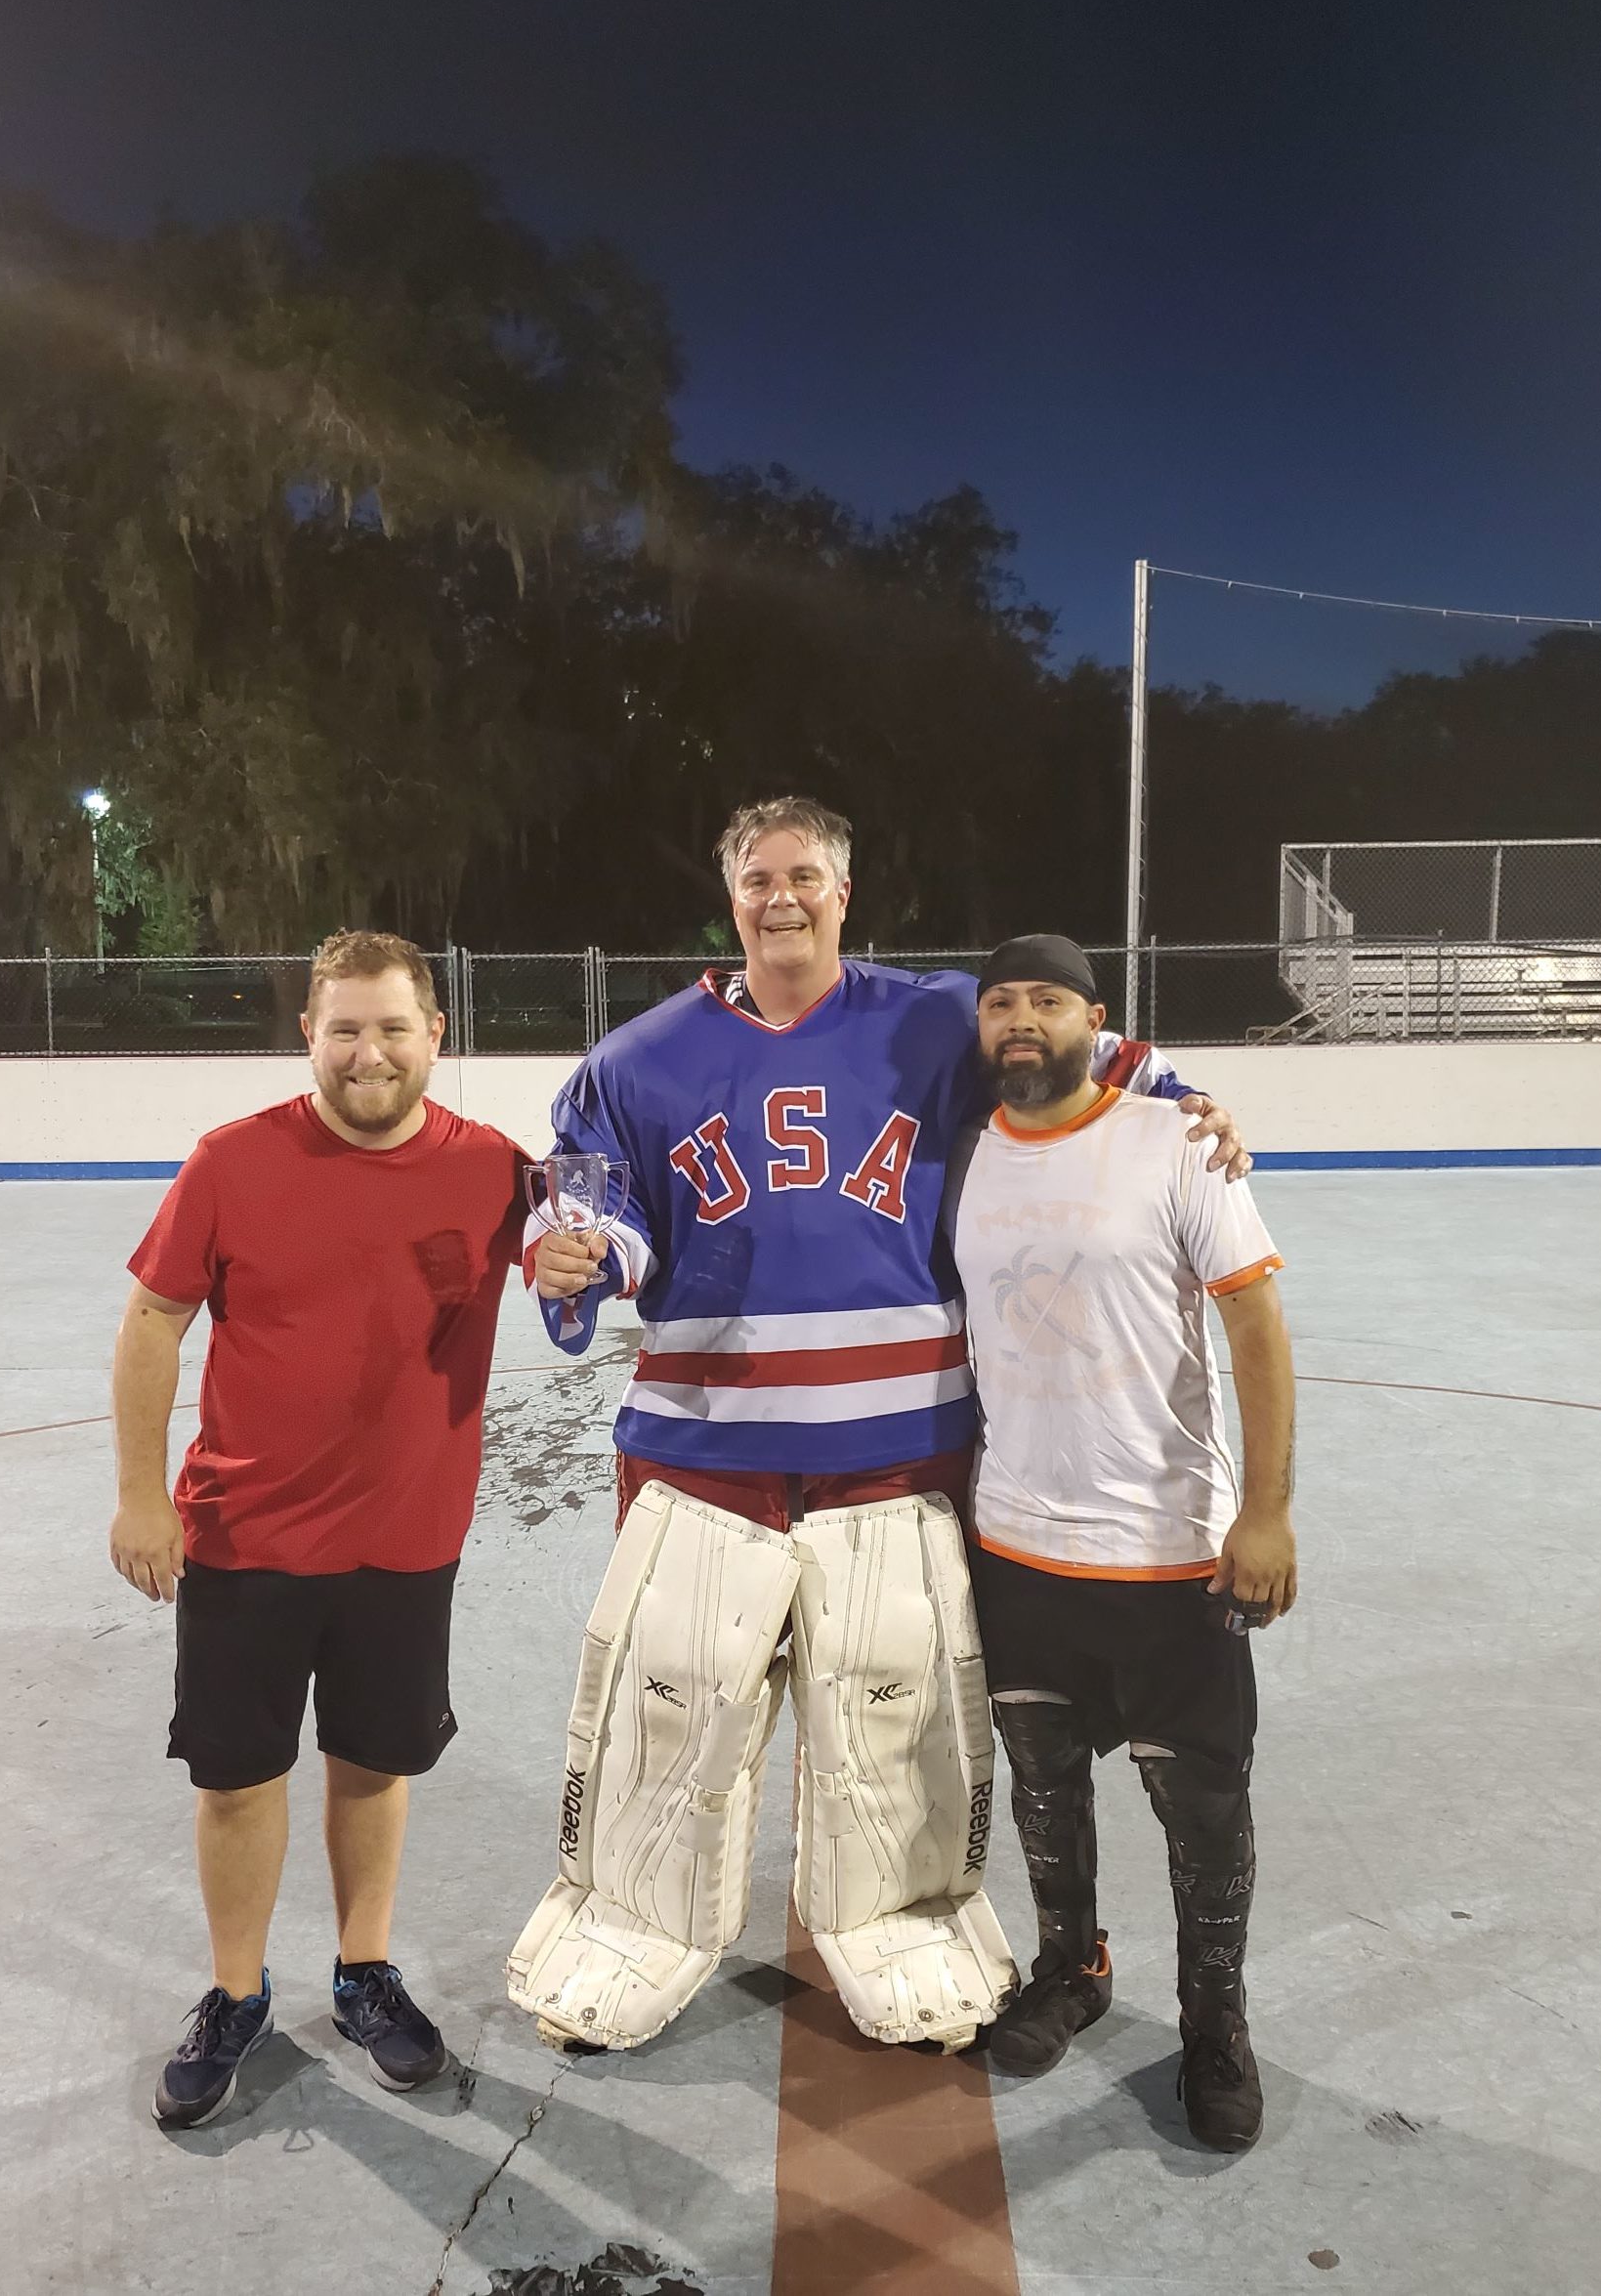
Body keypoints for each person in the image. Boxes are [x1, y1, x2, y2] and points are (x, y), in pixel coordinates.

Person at [509, 797, 1252, 2057]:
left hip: (898, 1456)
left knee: (896, 1711)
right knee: (672, 1704)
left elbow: (1093, 1056)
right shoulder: (633, 1059)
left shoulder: (937, 1014)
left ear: (845, 893)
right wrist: (577, 1256)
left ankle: (903, 1917)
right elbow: (593, 1207)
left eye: (804, 875)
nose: (780, 896)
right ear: (729, 893)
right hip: (703, 1454)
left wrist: (1190, 1102)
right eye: (757, 877)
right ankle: (632, 1920)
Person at [108, 930, 528, 2130]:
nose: (369, 1052)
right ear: (308, 1035)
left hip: (407, 1536)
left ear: (436, 1034)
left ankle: (364, 1971)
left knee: (373, 1763)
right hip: (246, 1538)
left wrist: (571, 1262)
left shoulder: (496, 1168)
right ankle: (236, 1995)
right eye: (343, 1027)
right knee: (239, 1777)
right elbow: (152, 1323)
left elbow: (585, 1260)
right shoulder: (233, 1163)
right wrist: (145, 1496)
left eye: (393, 1026)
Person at [948, 932, 1296, 2150]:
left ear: (1099, 1018)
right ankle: (1070, 1968)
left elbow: (1256, 1325)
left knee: (1202, 1811)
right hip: (1017, 1544)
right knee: (1044, 1788)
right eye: (1001, 1003)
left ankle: (1215, 2028)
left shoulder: (1176, 1142)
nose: (1021, 1019)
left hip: (1165, 1552)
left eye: (1047, 998)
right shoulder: (965, 1156)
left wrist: (1265, 1511)